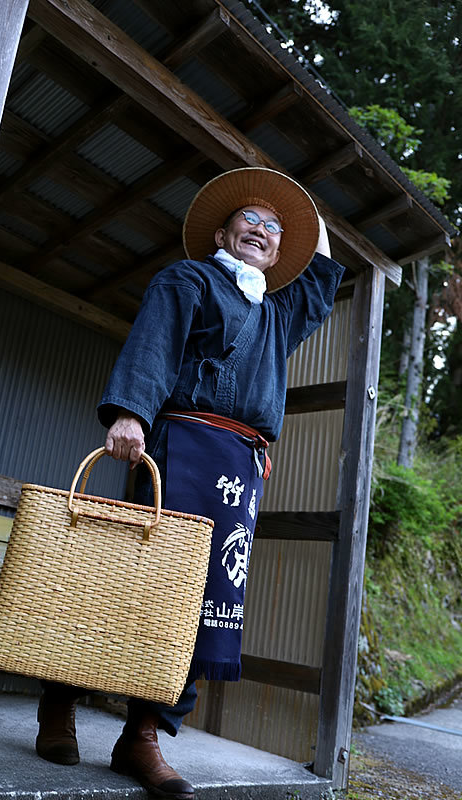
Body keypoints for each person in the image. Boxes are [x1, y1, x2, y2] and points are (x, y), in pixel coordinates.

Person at [35, 167, 345, 799]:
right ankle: (60, 699)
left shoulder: (276, 311)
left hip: (241, 466)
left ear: (284, 249)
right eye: (248, 220)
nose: (259, 230)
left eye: (274, 227)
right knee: (138, 581)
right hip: (181, 444)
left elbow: (318, 281)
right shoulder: (189, 279)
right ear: (223, 230)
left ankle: (143, 734)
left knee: (207, 600)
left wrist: (305, 213)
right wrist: (131, 412)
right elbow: (154, 345)